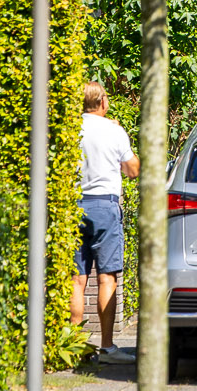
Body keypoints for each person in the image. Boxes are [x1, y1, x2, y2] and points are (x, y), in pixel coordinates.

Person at [72, 82, 140, 363]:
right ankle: (108, 347)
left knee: (76, 279)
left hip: (75, 205)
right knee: (107, 276)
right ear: (102, 102)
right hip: (105, 206)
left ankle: (73, 346)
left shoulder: (71, 128)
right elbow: (133, 170)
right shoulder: (114, 131)